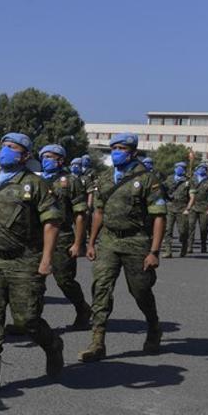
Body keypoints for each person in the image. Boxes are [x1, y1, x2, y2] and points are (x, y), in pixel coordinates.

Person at [0, 133, 64, 395]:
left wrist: (46, 260)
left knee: (27, 320)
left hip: (25, 261)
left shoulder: (36, 184)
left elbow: (51, 223)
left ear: (25, 156)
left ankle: (52, 344)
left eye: (13, 148)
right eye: (4, 146)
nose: (6, 151)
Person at [79, 133, 165, 363]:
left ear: (133, 152)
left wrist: (154, 251)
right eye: (114, 148)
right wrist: (91, 241)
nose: (117, 152)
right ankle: (97, 341)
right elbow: (98, 211)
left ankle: (154, 326)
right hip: (108, 241)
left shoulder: (147, 179)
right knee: (101, 288)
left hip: (136, 241)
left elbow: (159, 217)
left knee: (140, 290)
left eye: (122, 148)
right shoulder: (105, 177)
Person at [37, 144, 91, 329]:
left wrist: (78, 243)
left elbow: (80, 214)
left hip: (62, 237)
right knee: (32, 281)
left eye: (50, 157)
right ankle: (30, 320)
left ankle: (82, 309)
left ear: (60, 160)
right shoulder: (36, 181)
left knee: (64, 280)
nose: (46, 160)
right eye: (43, 157)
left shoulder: (70, 181)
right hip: (37, 238)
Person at [162, 161, 192, 258]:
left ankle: (184, 245)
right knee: (168, 229)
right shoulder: (169, 179)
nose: (179, 169)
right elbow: (163, 190)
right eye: (177, 167)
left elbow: (192, 196)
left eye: (182, 168)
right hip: (170, 206)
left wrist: (188, 208)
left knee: (182, 230)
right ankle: (168, 251)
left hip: (182, 208)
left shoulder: (188, 181)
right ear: (174, 169)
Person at [186, 163, 208, 254]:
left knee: (203, 228)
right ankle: (189, 246)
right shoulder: (191, 180)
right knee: (190, 227)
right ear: (197, 169)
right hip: (193, 207)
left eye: (204, 168)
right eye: (200, 168)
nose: (202, 169)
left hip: (204, 208)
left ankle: (203, 244)